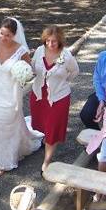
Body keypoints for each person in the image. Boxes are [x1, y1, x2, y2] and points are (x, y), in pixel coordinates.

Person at [0, 18, 44, 175]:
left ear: (14, 35)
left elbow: (30, 71)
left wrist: (23, 75)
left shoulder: (21, 50)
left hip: (11, 92)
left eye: (7, 35)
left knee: (6, 124)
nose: (3, 37)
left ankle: (3, 159)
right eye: (1, 33)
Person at [30, 25, 79, 172]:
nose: (50, 44)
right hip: (39, 95)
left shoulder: (66, 56)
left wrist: (61, 81)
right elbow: (33, 68)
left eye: (54, 42)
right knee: (42, 124)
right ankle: (47, 140)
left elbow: (74, 72)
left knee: (52, 129)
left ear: (60, 42)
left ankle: (47, 160)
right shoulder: (39, 51)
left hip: (58, 98)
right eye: (48, 41)